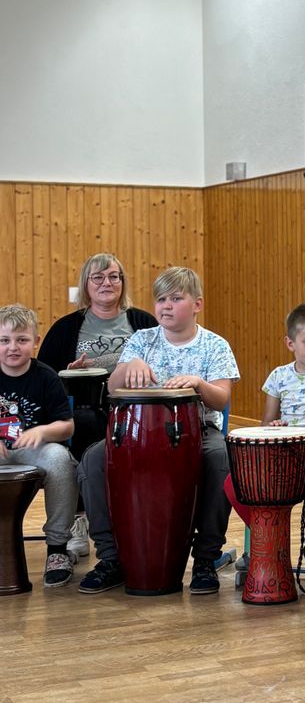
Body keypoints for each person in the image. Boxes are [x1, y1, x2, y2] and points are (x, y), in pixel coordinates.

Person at [76, 266, 239, 595]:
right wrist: (129, 366)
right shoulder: (142, 339)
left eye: (176, 299)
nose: (166, 305)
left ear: (197, 305)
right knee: (93, 460)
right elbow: (112, 385)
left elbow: (221, 398)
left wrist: (198, 384)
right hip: (137, 433)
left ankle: (206, 559)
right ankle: (112, 558)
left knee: (221, 459)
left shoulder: (215, 345)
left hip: (197, 432)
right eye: (161, 299)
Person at [223, 303, 305, 575]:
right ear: (290, 343)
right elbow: (265, 425)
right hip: (284, 454)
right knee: (233, 483)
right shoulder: (278, 377)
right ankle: (271, 538)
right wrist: (274, 427)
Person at [38, 252, 156, 560]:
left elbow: (164, 363)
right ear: (86, 285)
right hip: (85, 410)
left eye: (114, 276)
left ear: (122, 282)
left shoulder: (142, 322)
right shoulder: (66, 328)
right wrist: (69, 373)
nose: (107, 283)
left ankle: (134, 521)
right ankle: (80, 520)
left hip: (136, 409)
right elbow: (44, 380)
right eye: (98, 277)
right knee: (85, 423)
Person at [0, 304, 77, 587]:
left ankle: (57, 548)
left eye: (22, 340)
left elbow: (67, 426)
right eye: (4, 340)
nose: (13, 347)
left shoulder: (46, 376)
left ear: (36, 341)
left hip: (34, 449)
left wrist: (43, 431)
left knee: (60, 459)